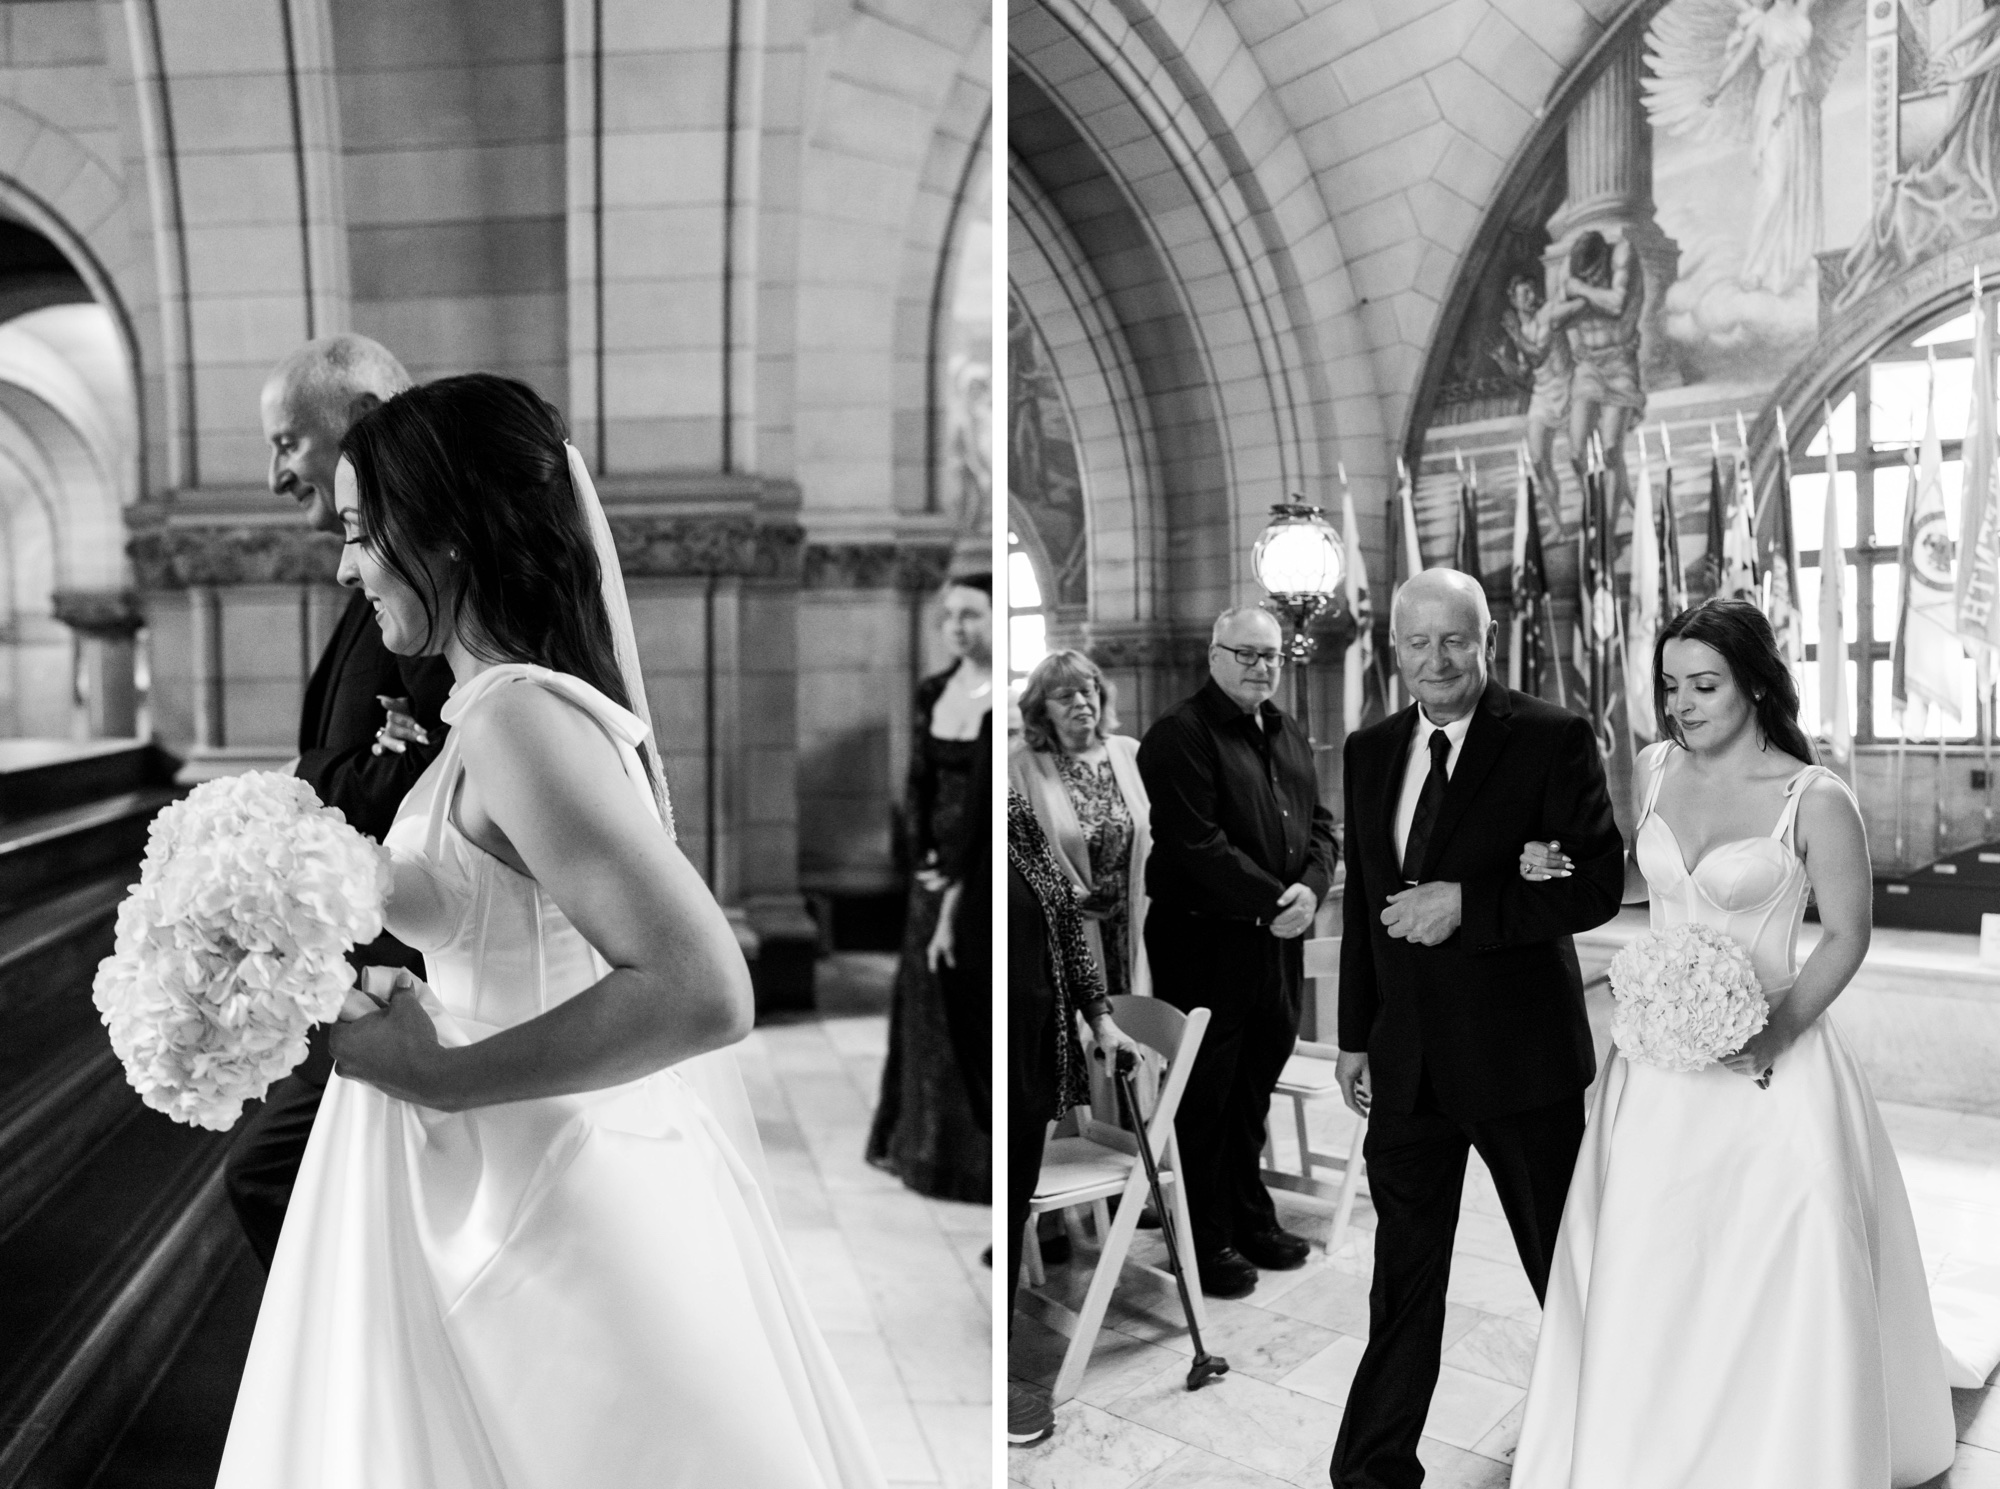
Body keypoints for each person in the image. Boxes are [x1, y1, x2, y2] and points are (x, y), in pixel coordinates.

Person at [214, 374, 885, 1487]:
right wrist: (281, 878)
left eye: (357, 533)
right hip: (482, 1158)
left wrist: (444, 1074)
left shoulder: (521, 715)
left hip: (542, 1181)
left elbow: (703, 988)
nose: (343, 567)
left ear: (445, 534)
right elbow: (480, 897)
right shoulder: (486, 707)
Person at [1509, 599, 1955, 1489]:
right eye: (1671, 686)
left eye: (1704, 685)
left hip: (1772, 1071)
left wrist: (1772, 1031)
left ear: (1754, 682)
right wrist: (1569, 870)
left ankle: (1785, 1448)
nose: (1683, 705)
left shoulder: (1815, 797)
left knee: (1775, 1264)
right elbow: (1650, 881)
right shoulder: (1657, 766)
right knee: (1652, 1258)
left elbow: (1847, 936)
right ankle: (1644, 1443)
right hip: (1655, 1068)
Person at [1328, 568, 1625, 1489]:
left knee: (1565, 1270)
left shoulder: (1550, 736)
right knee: (1403, 1281)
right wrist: (1351, 1036)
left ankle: (1615, 1440)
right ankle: (1373, 1470)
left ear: (1487, 638)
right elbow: (1368, 910)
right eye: (1417, 642)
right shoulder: (1369, 748)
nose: (1436, 659)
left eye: (1455, 639)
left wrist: (1471, 903)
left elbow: (1597, 883)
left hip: (1519, 1059)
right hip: (1407, 1063)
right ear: (1395, 649)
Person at [224, 333, 452, 1271]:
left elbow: (421, 768)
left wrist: (294, 783)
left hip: (416, 961)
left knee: (272, 1176)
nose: (275, 472)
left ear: (359, 420)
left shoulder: (425, 588)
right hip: (377, 954)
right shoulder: (375, 574)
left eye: (287, 443)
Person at [1137, 605, 1337, 1299]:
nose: (1260, 666)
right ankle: (1204, 1234)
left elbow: (1321, 825)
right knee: (1206, 1094)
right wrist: (1280, 903)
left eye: (1271, 656)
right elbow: (1196, 846)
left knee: (1254, 1084)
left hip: (1275, 939)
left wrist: (1310, 888)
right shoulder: (1178, 736)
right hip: (1207, 938)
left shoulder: (1285, 732)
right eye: (1246, 653)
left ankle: (1249, 1216)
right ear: (1213, 654)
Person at [1005, 790, 1139, 1447]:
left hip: (1032, 1052)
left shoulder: (1017, 813)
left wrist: (1103, 1019)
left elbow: (1065, 924)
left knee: (1008, 1206)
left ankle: (996, 1369)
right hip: (983, 1049)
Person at [866, 574, 993, 1201]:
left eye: (970, 614)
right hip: (931, 869)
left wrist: (960, 866)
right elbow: (916, 780)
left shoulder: (1004, 704)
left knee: (969, 999)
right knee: (922, 1001)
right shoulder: (934, 690)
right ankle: (922, 1145)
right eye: (948, 617)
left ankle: (975, 1161)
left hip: (978, 870)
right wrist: (920, 856)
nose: (957, 627)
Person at [1009, 648, 1151, 1000]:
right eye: (1064, 696)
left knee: (1137, 1029)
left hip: (1135, 925)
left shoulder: (1130, 753)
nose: (1081, 702)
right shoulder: (1020, 766)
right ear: (1042, 710)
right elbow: (1010, 857)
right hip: (1065, 931)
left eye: (1087, 691)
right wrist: (1061, 896)